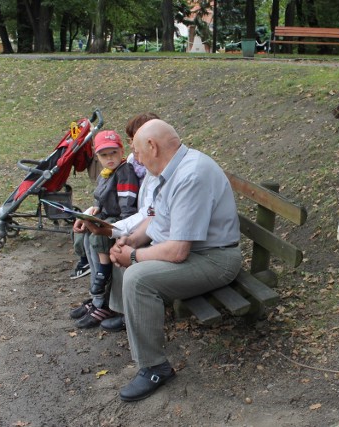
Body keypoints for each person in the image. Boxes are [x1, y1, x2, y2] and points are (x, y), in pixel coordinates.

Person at [107, 119, 242, 402]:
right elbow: (156, 217)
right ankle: (127, 318)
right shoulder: (170, 170)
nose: (137, 160)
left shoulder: (191, 175)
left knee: (137, 276)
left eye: (138, 152)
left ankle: (154, 368)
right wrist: (132, 240)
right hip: (196, 253)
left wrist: (132, 256)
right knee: (125, 249)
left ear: (152, 147)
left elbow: (178, 251)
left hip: (216, 260)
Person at [73, 113, 161, 332]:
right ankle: (98, 298)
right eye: (130, 140)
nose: (132, 146)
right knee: (88, 235)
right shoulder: (133, 160)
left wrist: (112, 229)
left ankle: (110, 305)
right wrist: (90, 213)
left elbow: (147, 214)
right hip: (131, 221)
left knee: (104, 241)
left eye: (135, 140)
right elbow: (107, 195)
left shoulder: (156, 170)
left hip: (145, 228)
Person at [70, 130, 140, 328]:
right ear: (97, 156)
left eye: (113, 153)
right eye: (104, 155)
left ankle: (102, 277)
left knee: (97, 238)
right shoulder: (105, 173)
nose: (109, 158)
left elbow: (127, 205)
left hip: (120, 221)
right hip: (107, 215)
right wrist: (92, 212)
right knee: (84, 232)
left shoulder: (124, 171)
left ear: (121, 151)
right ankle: (94, 287)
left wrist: (122, 232)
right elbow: (101, 199)